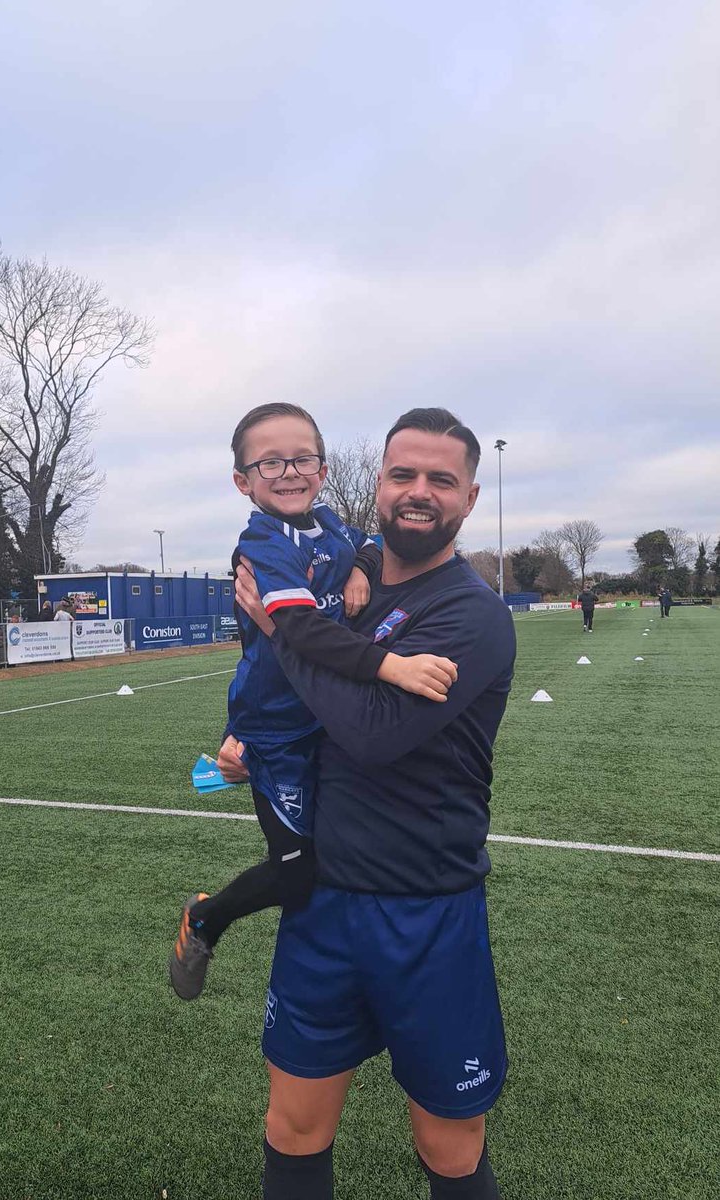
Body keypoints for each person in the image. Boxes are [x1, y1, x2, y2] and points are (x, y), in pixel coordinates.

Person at [218, 407, 516, 1200]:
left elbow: (372, 732)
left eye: (441, 480)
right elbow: (302, 705)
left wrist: (281, 635)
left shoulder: (472, 614)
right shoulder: (340, 578)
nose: (419, 492)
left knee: (449, 1148)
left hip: (427, 909)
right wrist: (250, 743)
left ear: (470, 497)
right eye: (402, 474)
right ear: (377, 484)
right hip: (323, 903)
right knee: (293, 1129)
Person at [170, 403, 458, 1002]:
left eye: (301, 459)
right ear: (243, 481)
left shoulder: (328, 524)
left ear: (323, 470)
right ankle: (204, 920)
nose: (288, 472)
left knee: (341, 852)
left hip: (327, 718)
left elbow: (370, 544)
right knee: (297, 870)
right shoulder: (263, 545)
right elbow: (298, 632)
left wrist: (360, 569)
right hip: (277, 732)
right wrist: (393, 666)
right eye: (269, 462)